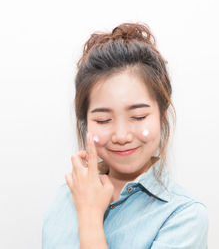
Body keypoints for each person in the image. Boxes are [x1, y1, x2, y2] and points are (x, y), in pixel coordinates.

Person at [42, 23, 209, 249]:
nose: (121, 136)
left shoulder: (184, 216)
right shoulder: (66, 196)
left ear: (162, 116)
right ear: (86, 122)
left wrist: (90, 215)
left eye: (138, 116)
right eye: (103, 120)